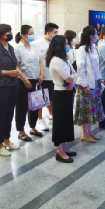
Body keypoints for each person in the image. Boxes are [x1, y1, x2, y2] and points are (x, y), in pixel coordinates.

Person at [0, 24, 20, 157]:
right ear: (1, 34)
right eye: (8, 32)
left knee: (9, 115)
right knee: (0, 116)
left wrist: (16, 72)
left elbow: (14, 64)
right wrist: (7, 73)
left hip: (12, 85)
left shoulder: (10, 48)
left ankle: (7, 140)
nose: (10, 34)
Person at [46, 35, 77, 163]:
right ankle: (60, 152)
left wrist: (73, 80)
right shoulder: (56, 61)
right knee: (59, 123)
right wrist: (73, 80)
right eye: (66, 44)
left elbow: (74, 73)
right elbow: (69, 78)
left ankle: (64, 147)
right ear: (60, 46)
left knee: (66, 122)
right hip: (60, 94)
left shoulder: (64, 59)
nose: (68, 46)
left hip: (67, 92)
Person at [74, 25, 104, 142]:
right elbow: (80, 68)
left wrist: (100, 78)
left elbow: (97, 66)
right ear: (91, 36)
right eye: (96, 34)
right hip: (85, 84)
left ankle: (90, 131)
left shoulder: (94, 48)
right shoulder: (82, 49)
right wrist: (85, 84)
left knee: (92, 108)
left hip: (95, 82)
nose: (97, 36)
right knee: (86, 109)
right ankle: (84, 133)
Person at [14, 25, 44, 142]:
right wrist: (25, 80)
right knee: (22, 107)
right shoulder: (18, 48)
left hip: (36, 79)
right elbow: (16, 66)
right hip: (23, 81)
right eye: (30, 33)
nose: (32, 35)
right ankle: (21, 131)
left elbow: (40, 61)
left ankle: (33, 127)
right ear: (23, 35)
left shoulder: (35, 46)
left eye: (33, 33)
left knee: (35, 105)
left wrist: (41, 75)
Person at [33, 22, 59, 131]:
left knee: (52, 98)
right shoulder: (37, 44)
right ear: (48, 33)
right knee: (41, 99)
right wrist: (40, 74)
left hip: (53, 76)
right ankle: (40, 120)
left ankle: (51, 116)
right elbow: (37, 61)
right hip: (42, 76)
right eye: (55, 32)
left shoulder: (55, 43)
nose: (56, 34)